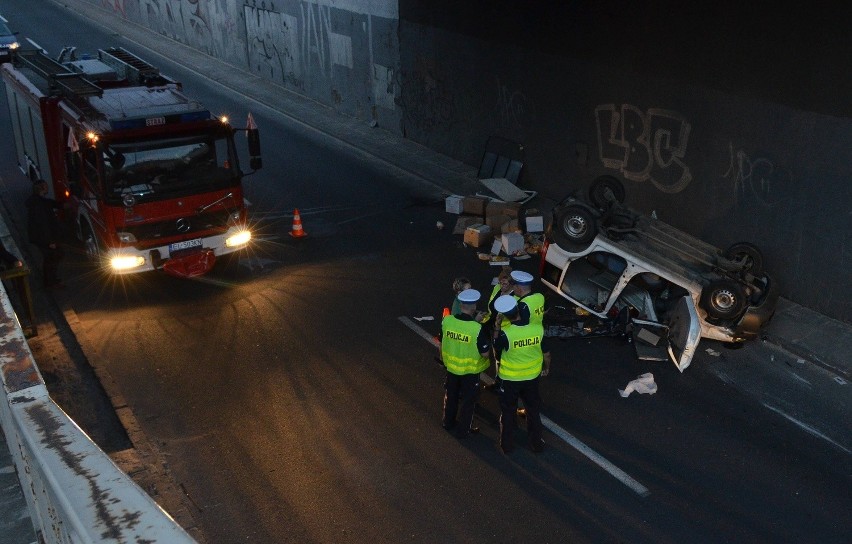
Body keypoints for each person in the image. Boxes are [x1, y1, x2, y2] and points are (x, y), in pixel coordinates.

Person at [492, 294, 551, 454]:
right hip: (531, 378)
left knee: (508, 412)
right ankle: (536, 444)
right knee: (533, 411)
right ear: (518, 310)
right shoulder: (537, 329)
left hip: (510, 380)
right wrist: (546, 368)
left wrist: (497, 326)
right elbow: (546, 354)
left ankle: (507, 445)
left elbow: (496, 346)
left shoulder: (506, 333)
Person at [439, 288, 491, 439]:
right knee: (468, 402)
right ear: (474, 307)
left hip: (451, 369)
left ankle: (447, 423)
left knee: (451, 396)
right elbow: (485, 353)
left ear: (460, 305)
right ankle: (463, 430)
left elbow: (441, 342)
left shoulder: (447, 321)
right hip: (470, 372)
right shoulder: (477, 328)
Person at [26, 179, 64, 288]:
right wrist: (50, 241)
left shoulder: (38, 201)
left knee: (52, 257)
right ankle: (50, 282)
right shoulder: (39, 205)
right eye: (46, 186)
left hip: (39, 238)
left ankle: (50, 280)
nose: (48, 188)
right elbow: (43, 225)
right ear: (41, 189)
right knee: (52, 256)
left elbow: (51, 204)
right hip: (42, 238)